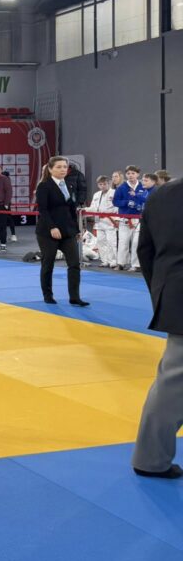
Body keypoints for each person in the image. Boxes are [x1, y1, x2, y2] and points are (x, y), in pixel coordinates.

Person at [131, 176, 183, 478]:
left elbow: (145, 251)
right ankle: (150, 459)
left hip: (175, 292)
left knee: (174, 381)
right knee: (175, 384)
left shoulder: (162, 195)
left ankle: (151, 458)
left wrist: (163, 292)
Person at [35, 155, 88, 306]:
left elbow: (72, 210)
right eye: (59, 167)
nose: (63, 169)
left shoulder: (69, 185)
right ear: (50, 169)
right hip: (48, 232)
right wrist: (52, 227)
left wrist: (77, 230)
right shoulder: (44, 186)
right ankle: (48, 295)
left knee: (74, 264)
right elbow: (43, 210)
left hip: (68, 231)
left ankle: (75, 297)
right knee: (48, 264)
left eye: (65, 167)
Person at [113, 166, 148, 271]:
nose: (130, 175)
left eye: (133, 173)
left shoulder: (142, 187)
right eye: (128, 173)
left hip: (139, 219)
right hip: (125, 218)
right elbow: (115, 201)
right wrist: (126, 202)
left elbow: (147, 199)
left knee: (136, 242)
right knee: (123, 242)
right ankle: (121, 263)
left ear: (138, 174)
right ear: (126, 175)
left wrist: (139, 205)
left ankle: (136, 265)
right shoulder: (121, 187)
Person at [86, 175, 118, 268]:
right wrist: (84, 209)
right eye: (100, 184)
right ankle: (104, 261)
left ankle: (113, 261)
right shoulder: (96, 194)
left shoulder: (114, 193)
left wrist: (117, 219)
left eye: (104, 184)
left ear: (109, 183)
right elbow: (93, 207)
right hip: (99, 221)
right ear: (98, 185)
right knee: (100, 241)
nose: (102, 186)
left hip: (110, 220)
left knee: (111, 242)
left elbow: (117, 208)